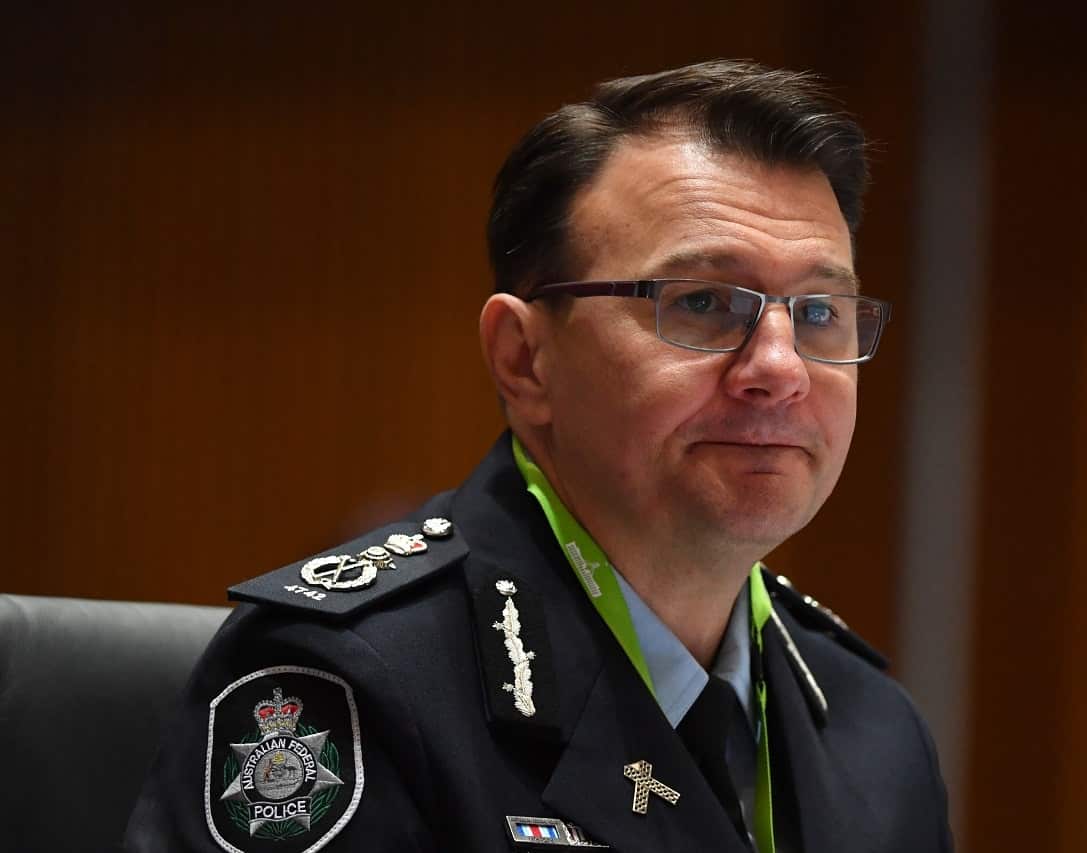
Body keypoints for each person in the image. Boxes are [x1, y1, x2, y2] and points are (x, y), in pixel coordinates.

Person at [124, 59, 952, 853]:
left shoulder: (876, 730)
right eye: (702, 302)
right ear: (524, 360)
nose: (779, 367)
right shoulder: (346, 682)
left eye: (818, 313)